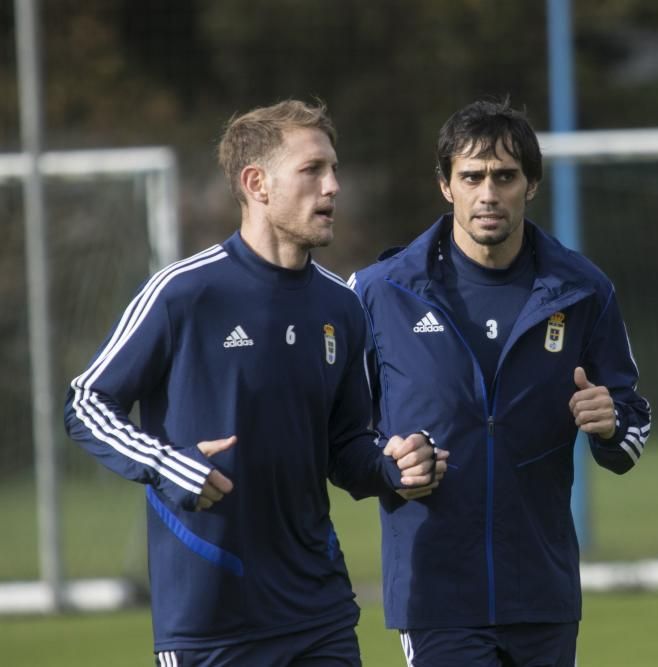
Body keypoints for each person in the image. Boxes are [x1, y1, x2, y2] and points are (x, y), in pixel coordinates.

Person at [64, 99, 447, 666]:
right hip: (210, 620)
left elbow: (345, 448)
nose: (334, 185)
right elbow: (86, 402)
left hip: (319, 612)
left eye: (334, 168)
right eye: (313, 169)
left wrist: (395, 466)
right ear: (257, 183)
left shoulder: (341, 307)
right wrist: (172, 465)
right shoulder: (184, 293)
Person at [348, 98, 651, 666]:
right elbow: (342, 435)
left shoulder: (583, 289)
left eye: (505, 176)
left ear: (530, 184)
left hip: (542, 590)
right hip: (436, 592)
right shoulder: (379, 291)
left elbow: (632, 424)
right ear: (446, 185)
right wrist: (389, 467)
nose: (488, 193)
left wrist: (611, 425)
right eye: (472, 176)